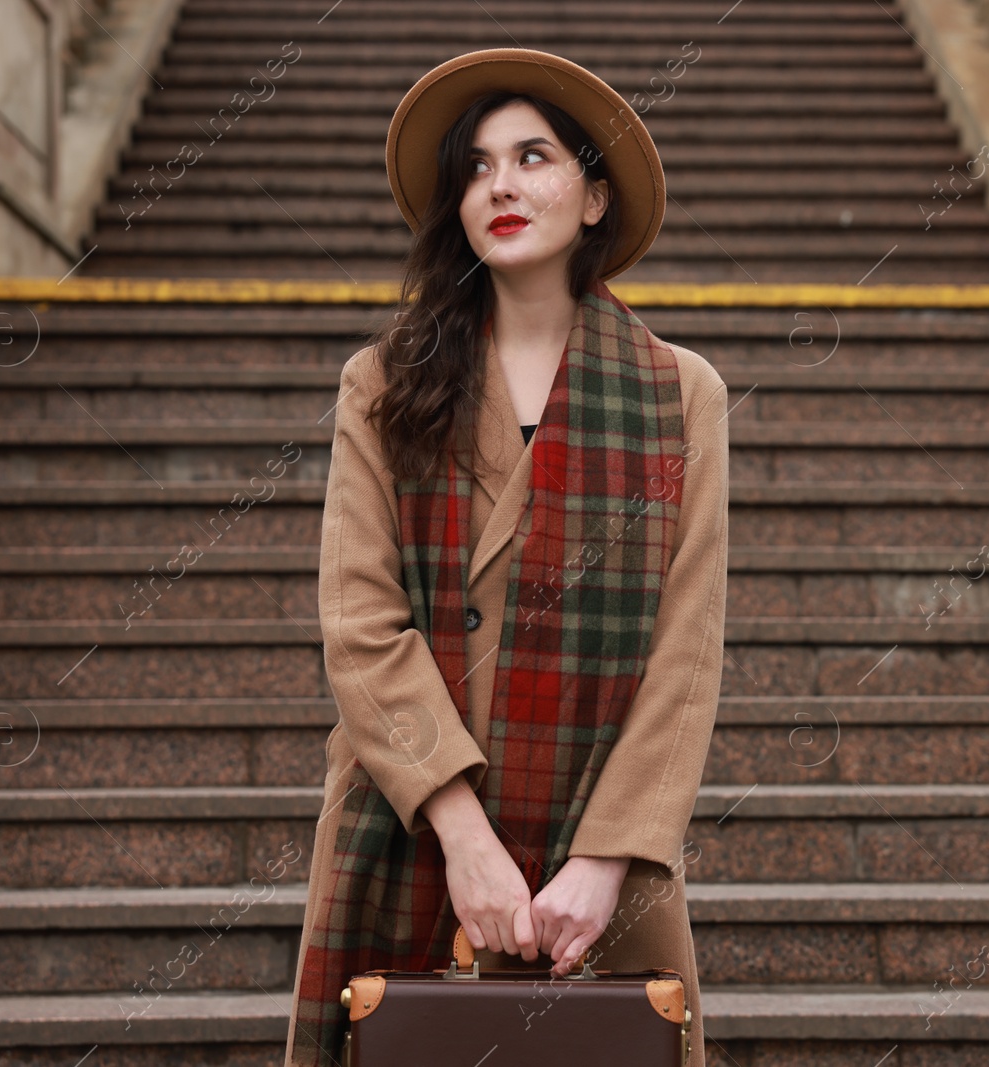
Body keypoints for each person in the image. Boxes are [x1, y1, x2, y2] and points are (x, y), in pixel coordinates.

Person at [286, 48, 729, 1067]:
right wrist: (463, 836)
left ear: (593, 196)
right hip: (408, 817)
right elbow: (360, 624)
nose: (501, 185)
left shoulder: (678, 394)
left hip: (597, 826)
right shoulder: (383, 383)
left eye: (533, 157)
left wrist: (604, 859)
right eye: (478, 167)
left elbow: (685, 649)